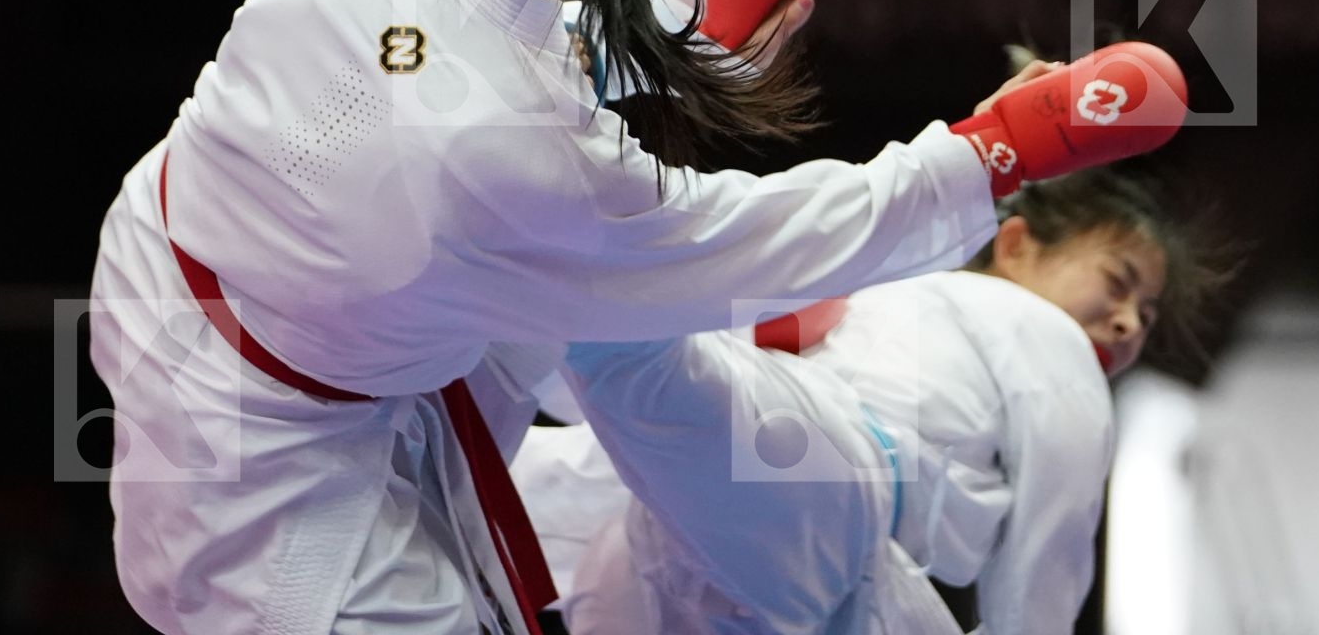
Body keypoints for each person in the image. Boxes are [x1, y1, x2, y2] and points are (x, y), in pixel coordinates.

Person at [87, 0, 1155, 635]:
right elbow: (768, 236)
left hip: (171, 259)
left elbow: (465, 49)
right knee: (613, 307)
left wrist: (697, 26)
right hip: (267, 462)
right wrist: (1003, 148)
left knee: (571, 311)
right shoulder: (539, 169)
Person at [514, 154, 1228, 635]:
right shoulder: (1001, 314)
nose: (1130, 320)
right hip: (761, 534)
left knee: (623, 352)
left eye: (1150, 313)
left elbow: (1049, 554)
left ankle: (532, 250)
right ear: (1016, 245)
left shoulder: (998, 328)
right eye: (1118, 281)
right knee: (617, 381)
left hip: (836, 523)